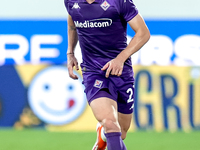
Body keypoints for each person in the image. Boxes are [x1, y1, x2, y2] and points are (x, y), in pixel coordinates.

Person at [64, 0, 150, 150]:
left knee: (121, 132)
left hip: (121, 72)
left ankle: (102, 134)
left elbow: (143, 33)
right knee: (110, 123)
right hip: (93, 72)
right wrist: (70, 52)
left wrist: (120, 59)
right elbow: (72, 19)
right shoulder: (71, 1)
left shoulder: (119, 2)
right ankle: (105, 129)